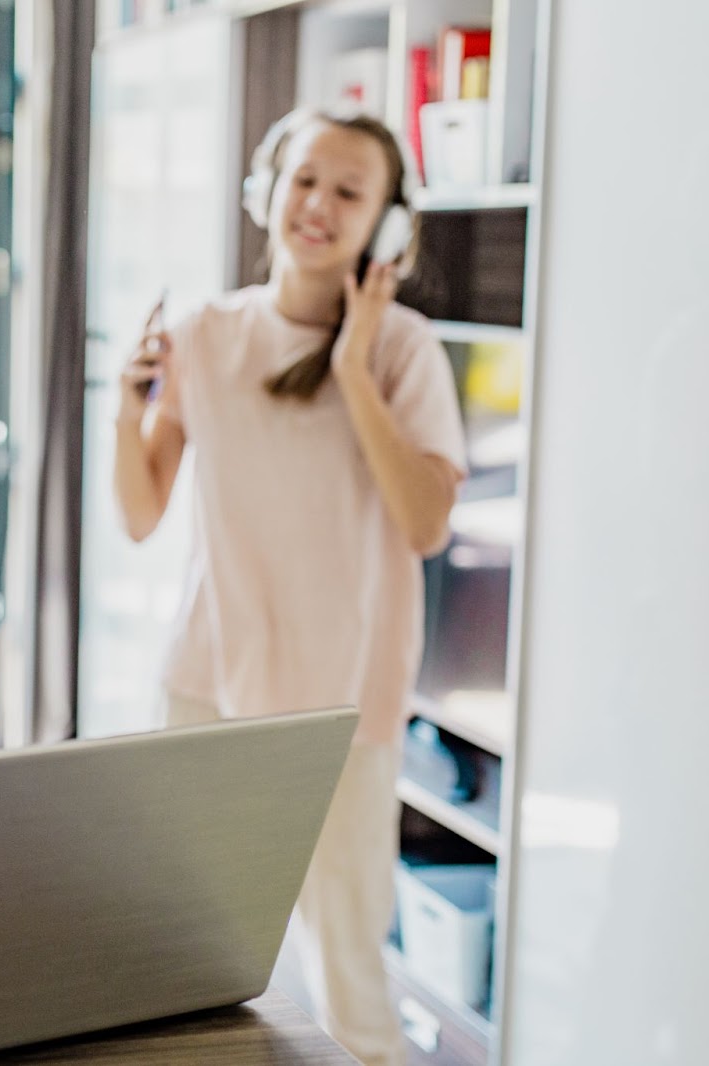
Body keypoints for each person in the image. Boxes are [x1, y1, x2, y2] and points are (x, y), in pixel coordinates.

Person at [112, 107, 466, 1066]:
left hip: (344, 704)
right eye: (306, 179)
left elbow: (427, 522)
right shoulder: (202, 334)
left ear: (387, 227)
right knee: (189, 955)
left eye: (350, 192)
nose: (319, 205)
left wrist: (353, 365)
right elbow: (142, 512)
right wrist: (122, 405)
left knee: (349, 968)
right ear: (267, 188)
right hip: (208, 677)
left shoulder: (405, 352)